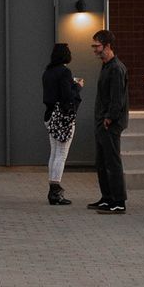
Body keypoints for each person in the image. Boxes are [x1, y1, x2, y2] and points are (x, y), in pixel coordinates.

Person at [88, 28, 129, 213]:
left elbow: (117, 98)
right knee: (102, 162)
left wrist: (109, 118)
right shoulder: (106, 66)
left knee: (112, 162)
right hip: (102, 122)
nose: (94, 49)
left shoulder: (116, 68)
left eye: (97, 46)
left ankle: (118, 201)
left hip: (110, 124)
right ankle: (107, 198)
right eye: (93, 46)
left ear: (108, 46)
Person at [41, 43, 83, 205]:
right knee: (61, 153)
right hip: (62, 117)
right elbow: (67, 96)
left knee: (54, 152)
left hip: (50, 116)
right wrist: (77, 87)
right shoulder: (65, 72)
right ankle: (55, 190)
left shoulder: (47, 72)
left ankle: (53, 188)